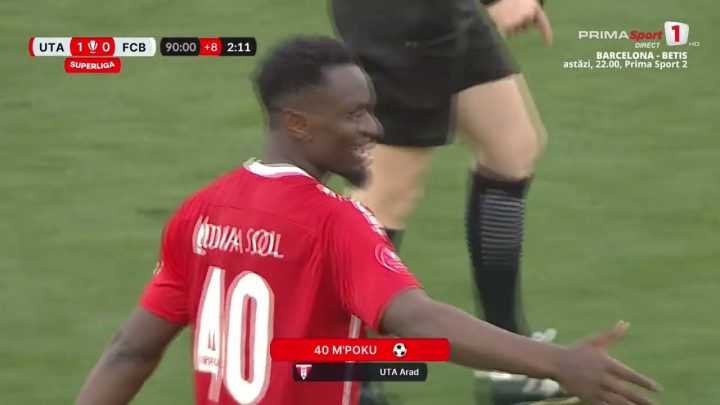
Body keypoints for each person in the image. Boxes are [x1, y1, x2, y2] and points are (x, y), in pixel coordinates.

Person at [76, 36, 660, 405]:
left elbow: (130, 351)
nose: (374, 129)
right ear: (299, 124)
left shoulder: (201, 212)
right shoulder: (335, 222)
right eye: (355, 115)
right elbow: (418, 320)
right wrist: (557, 363)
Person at [329, 0, 557, 402]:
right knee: (385, 195)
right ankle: (346, 381)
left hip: (445, 12)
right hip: (401, 18)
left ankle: (506, 361)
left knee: (511, 147)